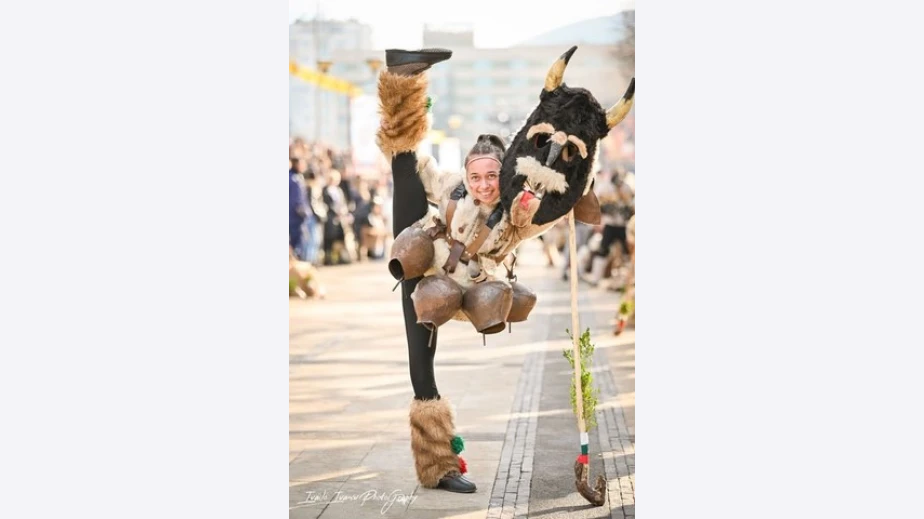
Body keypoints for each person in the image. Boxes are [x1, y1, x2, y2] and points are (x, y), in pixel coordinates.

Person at [376, 47, 635, 494]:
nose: (482, 185)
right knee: (422, 356)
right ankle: (403, 75)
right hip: (424, 269)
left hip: (472, 289)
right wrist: (413, 118)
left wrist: (582, 167)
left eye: (491, 177)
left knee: (458, 305)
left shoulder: (519, 215)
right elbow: (418, 167)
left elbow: (564, 202)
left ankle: (404, 81)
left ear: (505, 172)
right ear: (466, 174)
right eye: (475, 176)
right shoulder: (452, 188)